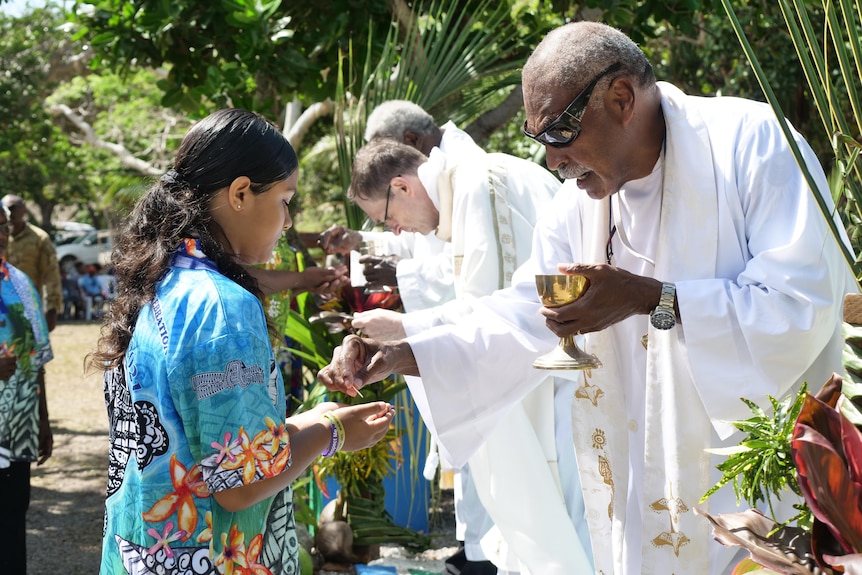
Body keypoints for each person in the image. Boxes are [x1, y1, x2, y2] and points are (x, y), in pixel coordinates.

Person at [319, 21, 859, 575]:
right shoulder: (576, 204)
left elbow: (800, 305)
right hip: (640, 482)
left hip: (750, 490)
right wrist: (413, 349)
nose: (552, 161)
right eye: (540, 141)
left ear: (621, 97)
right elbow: (530, 313)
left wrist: (652, 299)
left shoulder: (750, 143)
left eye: (558, 133)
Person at [89, 108, 396, 575]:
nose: (289, 221)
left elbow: (201, 443)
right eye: (285, 200)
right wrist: (333, 434)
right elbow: (238, 483)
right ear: (239, 194)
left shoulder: (165, 281)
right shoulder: (222, 306)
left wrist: (315, 417)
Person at [345, 137, 593, 575]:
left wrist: (406, 332)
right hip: (557, 370)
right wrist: (406, 330)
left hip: (559, 377)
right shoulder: (469, 185)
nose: (396, 231)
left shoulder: (482, 183)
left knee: (565, 522)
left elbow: (500, 313)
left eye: (386, 218)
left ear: (401, 187)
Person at [0, 205, 53, 575]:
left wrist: (43, 421)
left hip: (15, 430)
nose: (0, 235)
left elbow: (36, 359)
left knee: (11, 527)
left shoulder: (19, 283)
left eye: (2, 228)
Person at [1, 194, 63, 332]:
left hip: (29, 309)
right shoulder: (2, 238)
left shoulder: (39, 238)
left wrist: (52, 309)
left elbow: (51, 275)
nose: (9, 213)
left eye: (13, 208)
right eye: (5, 208)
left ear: (23, 209)